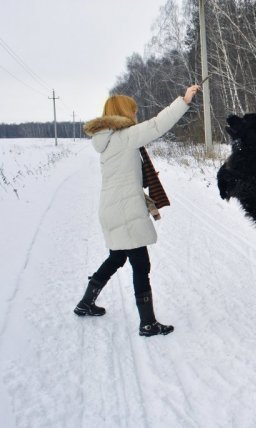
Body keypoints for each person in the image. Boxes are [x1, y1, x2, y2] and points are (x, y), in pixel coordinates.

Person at [75, 85, 200, 337]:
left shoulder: (107, 140)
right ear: (123, 112)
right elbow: (157, 125)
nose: (136, 114)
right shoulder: (125, 136)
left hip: (111, 208)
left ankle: (85, 303)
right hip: (124, 209)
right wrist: (184, 101)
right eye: (133, 110)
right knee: (140, 264)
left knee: (117, 257)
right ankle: (148, 323)